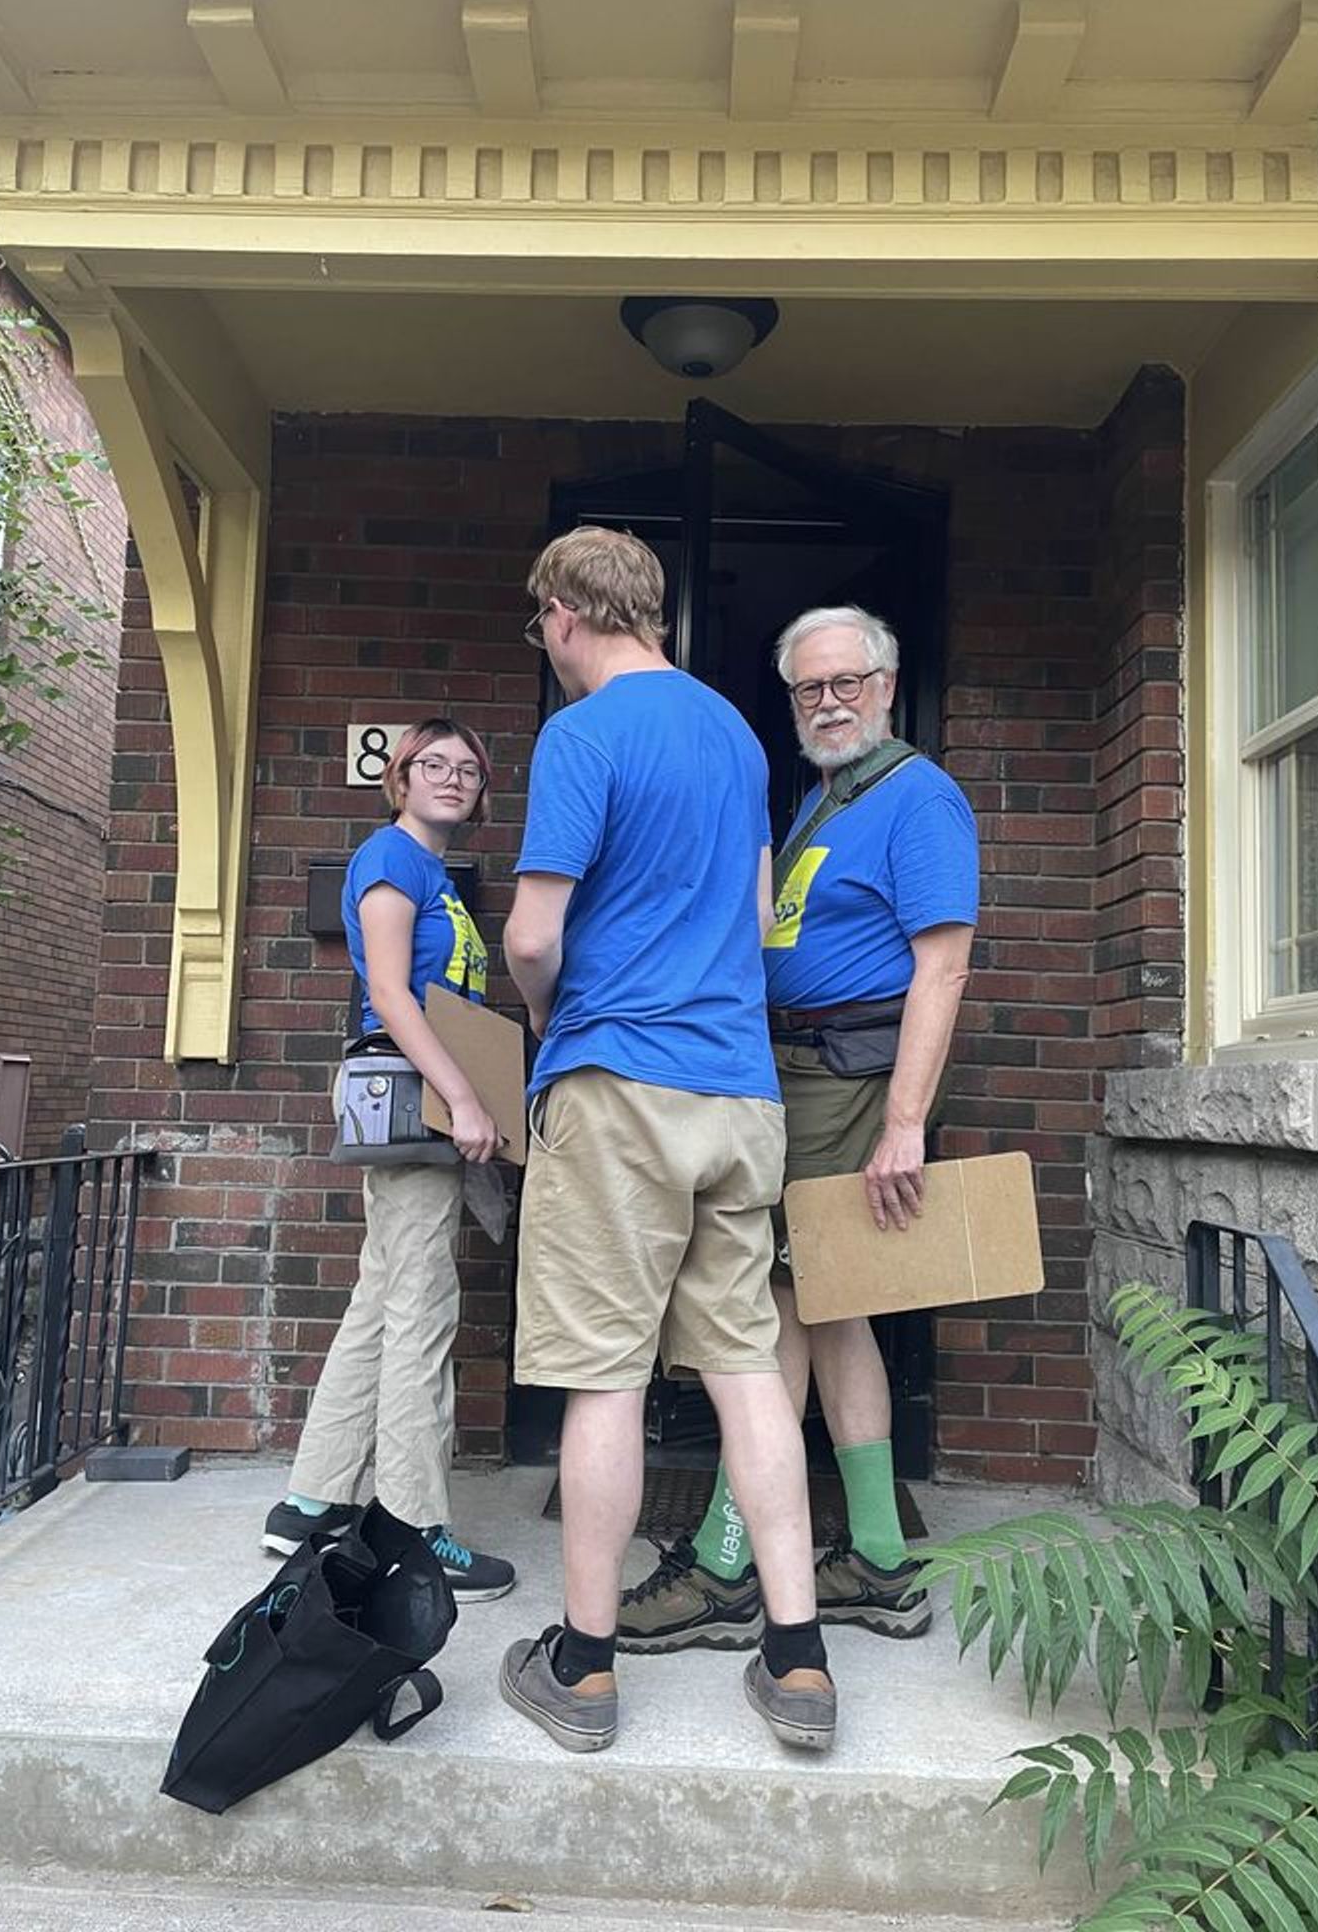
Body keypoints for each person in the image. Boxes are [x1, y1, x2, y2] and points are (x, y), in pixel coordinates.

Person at [497, 527, 833, 1755]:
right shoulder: (738, 735)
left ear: (564, 611)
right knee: (749, 1365)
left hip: (619, 1082)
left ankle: (582, 1668)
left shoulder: (582, 735)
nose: (542, 644)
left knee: (605, 1375)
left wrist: (549, 1023)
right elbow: (749, 916)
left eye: (539, 623)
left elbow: (533, 936)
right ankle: (796, 1657)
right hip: (740, 1093)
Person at [616, 604, 977, 1652]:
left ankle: (729, 1557)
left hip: (850, 1078)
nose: (828, 702)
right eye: (808, 688)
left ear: (887, 683)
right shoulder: (825, 799)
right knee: (835, 1305)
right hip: (797, 1070)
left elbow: (942, 965)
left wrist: (903, 1123)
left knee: (769, 1304)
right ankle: (877, 1554)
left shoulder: (919, 797)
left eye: (846, 682)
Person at [261, 717, 516, 1604]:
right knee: (420, 1307)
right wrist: (468, 1098)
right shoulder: (391, 859)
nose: (452, 778)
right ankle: (413, 1527)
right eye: (432, 765)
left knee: (383, 1293)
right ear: (398, 779)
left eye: (468, 769)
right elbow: (390, 998)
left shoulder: (433, 873)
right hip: (413, 1097)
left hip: (425, 1094)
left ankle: (310, 1499)